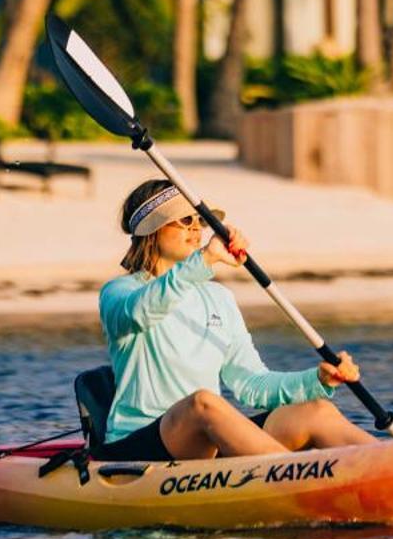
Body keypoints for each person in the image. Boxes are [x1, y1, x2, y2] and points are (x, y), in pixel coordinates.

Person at [96, 178, 376, 461]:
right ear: (152, 230)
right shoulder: (120, 293)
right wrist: (205, 259)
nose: (196, 228)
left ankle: (388, 468)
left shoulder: (219, 298)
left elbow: (252, 384)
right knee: (202, 403)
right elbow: (143, 311)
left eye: (199, 220)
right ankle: (302, 485)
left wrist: (318, 379)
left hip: (205, 440)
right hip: (139, 443)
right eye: (184, 220)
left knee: (317, 411)